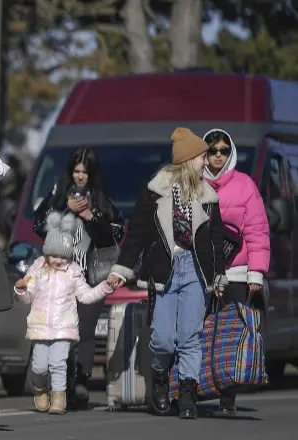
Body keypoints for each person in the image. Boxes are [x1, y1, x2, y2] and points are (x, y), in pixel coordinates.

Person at [107, 127, 227, 420]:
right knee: (162, 338)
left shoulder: (208, 196)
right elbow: (136, 235)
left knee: (190, 336)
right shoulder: (155, 191)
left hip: (196, 272)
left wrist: (219, 276)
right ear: (188, 159)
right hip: (165, 271)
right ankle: (160, 377)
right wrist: (121, 271)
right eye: (202, 156)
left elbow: (216, 241)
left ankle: (187, 393)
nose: (207, 161)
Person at [32, 147, 123, 408]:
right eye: (76, 171)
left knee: (84, 330)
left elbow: (115, 233)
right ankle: (63, 383)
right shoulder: (57, 194)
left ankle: (80, 380)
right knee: (62, 331)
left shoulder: (101, 199)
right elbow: (39, 224)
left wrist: (89, 217)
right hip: (59, 275)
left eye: (85, 172)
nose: (80, 177)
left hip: (91, 274)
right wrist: (64, 208)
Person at [14, 212, 114, 415]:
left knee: (58, 362)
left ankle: (59, 397)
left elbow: (85, 295)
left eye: (63, 256)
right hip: (40, 326)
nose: (59, 260)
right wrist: (21, 290)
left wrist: (103, 287)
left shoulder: (73, 272)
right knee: (40, 366)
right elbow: (27, 296)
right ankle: (40, 388)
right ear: (46, 253)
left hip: (64, 327)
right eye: (54, 255)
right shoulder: (38, 269)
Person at [203, 128, 270, 416]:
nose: (218, 155)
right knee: (201, 332)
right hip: (202, 273)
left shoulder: (245, 186)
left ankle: (227, 397)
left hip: (237, 274)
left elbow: (257, 230)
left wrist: (256, 272)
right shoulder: (193, 184)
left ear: (231, 154)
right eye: (213, 150)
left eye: (224, 150)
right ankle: (197, 387)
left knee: (231, 332)